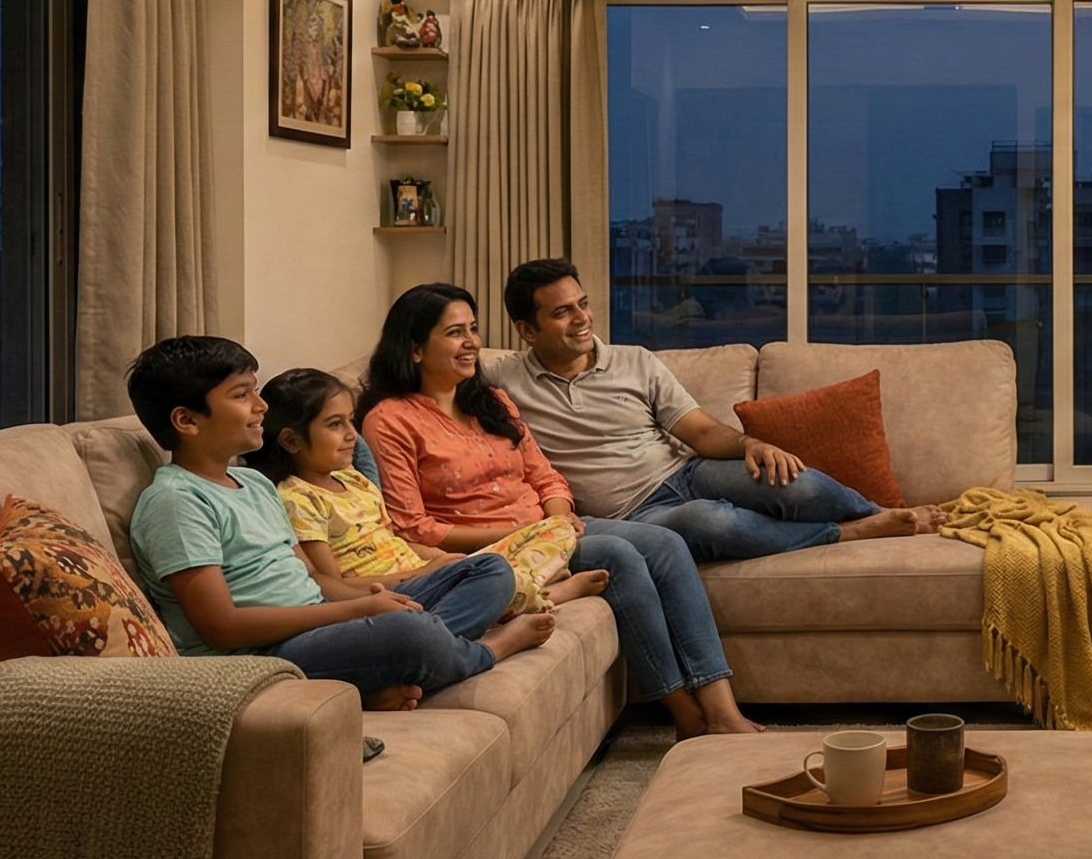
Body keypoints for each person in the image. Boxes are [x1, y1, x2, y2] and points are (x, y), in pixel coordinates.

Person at [357, 283, 764, 738]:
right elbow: (413, 527)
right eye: (455, 333)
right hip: (493, 551)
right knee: (619, 555)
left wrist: (555, 515)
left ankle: (720, 707)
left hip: (549, 529)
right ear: (415, 349)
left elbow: (545, 475)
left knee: (667, 544)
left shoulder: (491, 401)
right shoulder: (389, 421)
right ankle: (685, 713)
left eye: (473, 329)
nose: (472, 342)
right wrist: (529, 531)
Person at [122, 336, 550, 712]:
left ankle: (380, 670)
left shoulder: (254, 483)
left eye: (255, 390)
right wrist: (359, 611)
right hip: (262, 654)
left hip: (319, 621)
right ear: (187, 421)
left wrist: (383, 594)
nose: (261, 406)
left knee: (488, 570)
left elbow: (314, 580)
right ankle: (488, 649)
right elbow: (221, 627)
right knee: (408, 632)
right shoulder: (176, 501)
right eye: (241, 395)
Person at [485, 258, 940, 563]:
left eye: (582, 304)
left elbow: (699, 431)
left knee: (792, 481)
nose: (582, 318)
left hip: (687, 472)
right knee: (713, 522)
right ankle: (847, 532)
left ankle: (874, 511)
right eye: (562, 312)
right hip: (633, 513)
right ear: (527, 330)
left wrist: (751, 445)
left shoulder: (635, 360)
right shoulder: (504, 378)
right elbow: (451, 364)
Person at [248, 366, 606, 617]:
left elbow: (395, 538)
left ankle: (520, 586)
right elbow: (332, 583)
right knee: (489, 579)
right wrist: (420, 575)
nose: (351, 435)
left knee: (554, 530)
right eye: (334, 424)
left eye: (350, 421)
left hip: (423, 569)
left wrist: (441, 560)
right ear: (291, 441)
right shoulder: (297, 498)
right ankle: (545, 592)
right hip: (394, 588)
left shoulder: (355, 480)